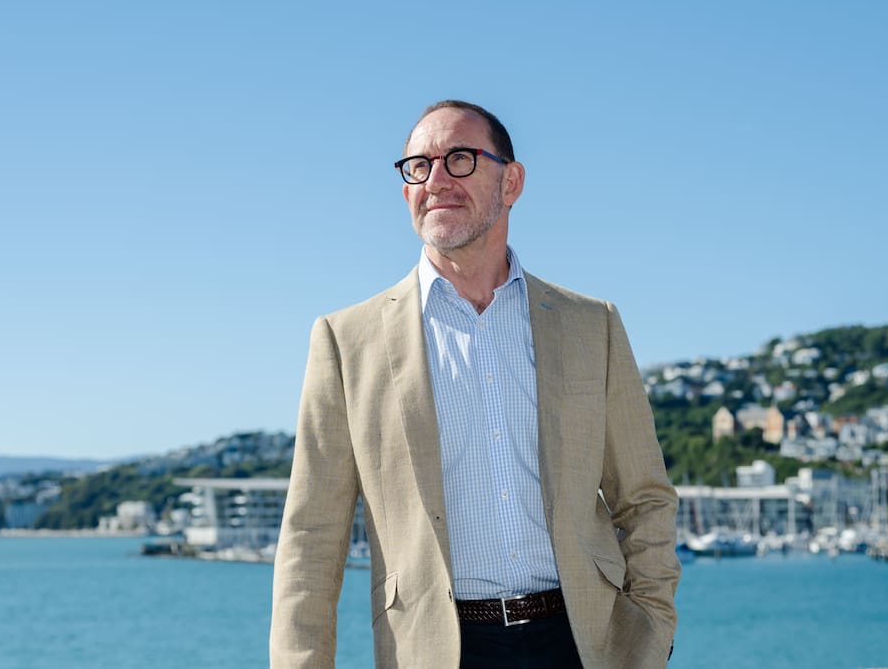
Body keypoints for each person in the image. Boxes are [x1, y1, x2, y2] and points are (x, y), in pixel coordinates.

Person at [270, 100, 680, 668]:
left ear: (511, 182)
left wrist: (651, 628)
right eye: (418, 166)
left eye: (459, 159)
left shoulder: (593, 325)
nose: (436, 181)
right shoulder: (346, 342)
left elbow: (644, 497)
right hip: (435, 650)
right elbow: (312, 535)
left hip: (584, 644)